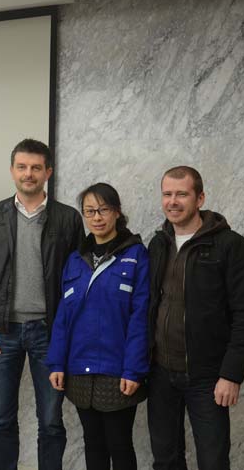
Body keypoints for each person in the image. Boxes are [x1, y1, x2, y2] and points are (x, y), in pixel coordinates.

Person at [0, 138, 83, 470]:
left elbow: (78, 280)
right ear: (12, 170)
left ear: (48, 172)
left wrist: (69, 331)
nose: (28, 174)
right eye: (22, 167)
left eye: (35, 167)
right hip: (2, 332)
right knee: (2, 421)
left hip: (50, 332)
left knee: (51, 421)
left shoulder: (67, 218)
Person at [147, 166, 244, 470]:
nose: (173, 201)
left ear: (200, 198)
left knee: (213, 462)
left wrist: (231, 375)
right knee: (165, 460)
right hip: (160, 374)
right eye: (167, 194)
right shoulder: (158, 244)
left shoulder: (230, 245)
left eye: (181, 194)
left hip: (208, 377)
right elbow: (150, 305)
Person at [47, 183, 149, 470]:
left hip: (117, 370)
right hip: (79, 369)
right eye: (90, 211)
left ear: (117, 212)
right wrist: (57, 363)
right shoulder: (74, 260)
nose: (97, 217)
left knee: (120, 444)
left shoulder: (136, 255)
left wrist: (133, 369)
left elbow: (141, 317)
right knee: (93, 443)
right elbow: (63, 317)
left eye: (103, 209)